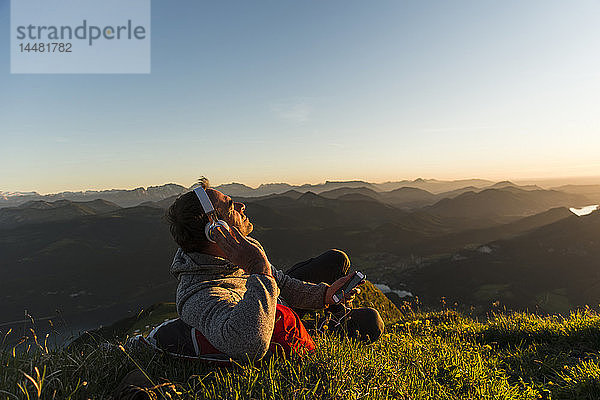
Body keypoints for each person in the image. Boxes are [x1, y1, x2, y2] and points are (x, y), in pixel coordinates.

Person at [163, 178, 384, 361]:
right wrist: (257, 269)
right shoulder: (197, 296)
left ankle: (327, 314)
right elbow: (249, 345)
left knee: (336, 260)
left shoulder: (241, 250)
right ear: (216, 230)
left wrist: (324, 295)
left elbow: (281, 283)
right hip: (267, 320)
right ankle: (321, 327)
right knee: (371, 322)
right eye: (231, 206)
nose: (242, 207)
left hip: (276, 303)